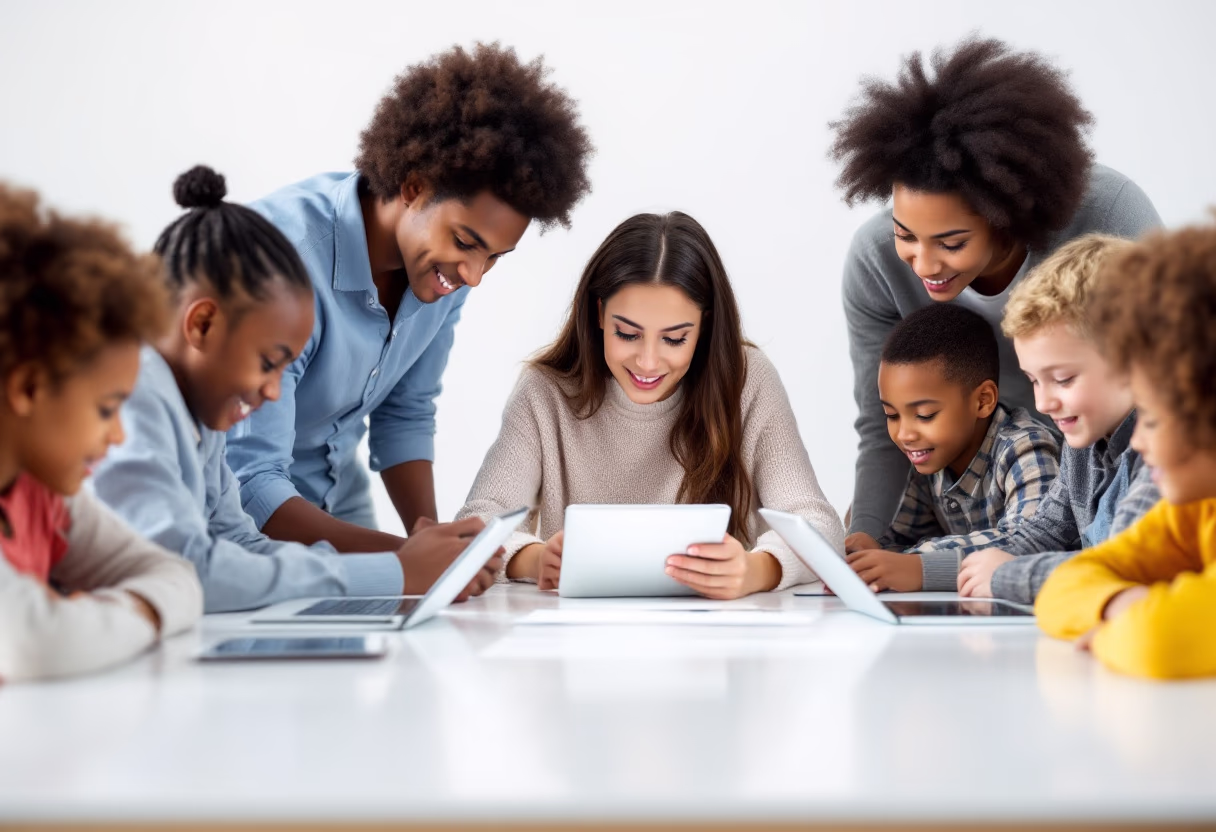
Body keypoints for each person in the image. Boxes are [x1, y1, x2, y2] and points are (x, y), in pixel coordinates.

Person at [226, 43, 594, 555]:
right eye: (466, 243)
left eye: (494, 257)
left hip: (336, 502)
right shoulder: (279, 265)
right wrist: (404, 557)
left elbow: (406, 412)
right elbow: (250, 484)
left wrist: (433, 541)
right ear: (414, 186)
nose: (473, 276)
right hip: (248, 528)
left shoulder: (443, 273)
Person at [92, 167, 498, 613]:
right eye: (269, 365)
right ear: (202, 324)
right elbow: (185, 570)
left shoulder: (200, 414)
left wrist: (406, 564)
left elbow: (242, 541)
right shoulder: (129, 398)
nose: (273, 393)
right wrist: (398, 567)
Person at [830, 36, 1160, 541]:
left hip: (1113, 490)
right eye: (905, 235)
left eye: (952, 242)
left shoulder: (1109, 216)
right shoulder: (875, 260)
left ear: (1007, 217)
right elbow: (882, 423)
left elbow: (1170, 374)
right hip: (1001, 510)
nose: (925, 263)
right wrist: (866, 537)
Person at [456, 212, 844, 599]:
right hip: (577, 635)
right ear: (599, 314)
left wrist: (757, 570)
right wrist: (535, 559)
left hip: (715, 638)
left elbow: (819, 524)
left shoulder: (747, 381)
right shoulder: (545, 391)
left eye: (674, 339)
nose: (647, 363)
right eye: (627, 333)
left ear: (704, 328)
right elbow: (474, 524)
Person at [0, 183, 202, 682]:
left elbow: (177, 576)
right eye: (106, 409)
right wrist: (128, 614)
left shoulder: (46, 495)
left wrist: (120, 614)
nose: (116, 436)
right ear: (29, 387)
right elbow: (39, 643)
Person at [1037, 219, 1216, 680]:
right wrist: (1123, 603)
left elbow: (1158, 643)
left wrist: (1110, 630)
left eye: (1152, 418)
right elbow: (1062, 588)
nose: (1137, 440)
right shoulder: (1193, 512)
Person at [843, 304, 1059, 592]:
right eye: (892, 415)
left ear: (982, 401)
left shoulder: (1027, 448)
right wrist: (873, 549)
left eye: (925, 415)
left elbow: (1029, 542)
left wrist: (918, 564)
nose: (905, 434)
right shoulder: (930, 459)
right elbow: (902, 541)